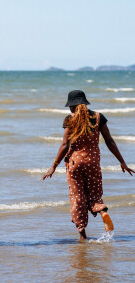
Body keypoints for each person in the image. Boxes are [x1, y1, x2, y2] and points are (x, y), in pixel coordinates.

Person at [42, 90, 134, 241]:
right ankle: (102, 210)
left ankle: (82, 234)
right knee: (95, 194)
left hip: (74, 163)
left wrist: (54, 165)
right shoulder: (99, 117)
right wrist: (122, 162)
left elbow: (65, 145)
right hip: (93, 162)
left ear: (72, 106)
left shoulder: (69, 119)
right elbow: (109, 141)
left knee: (77, 198)